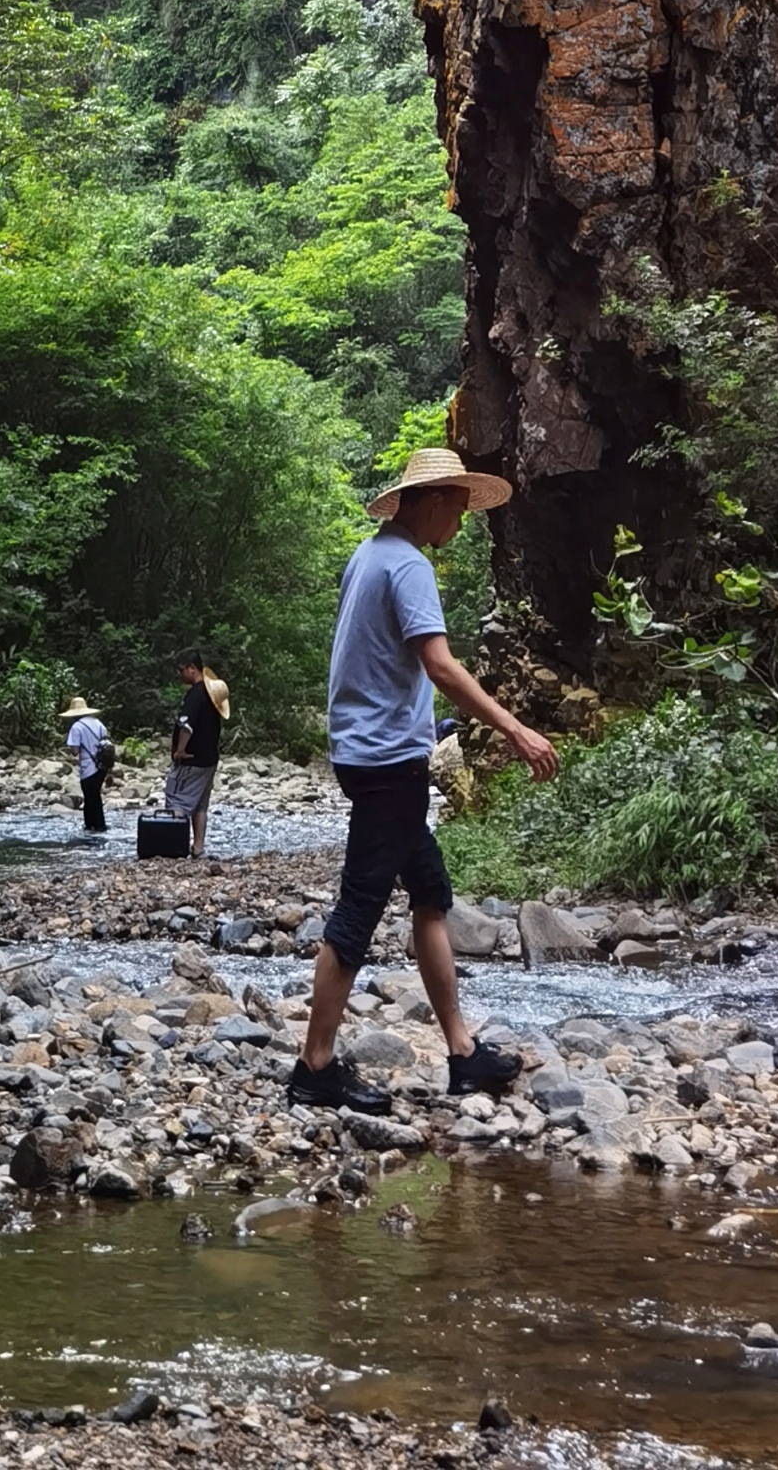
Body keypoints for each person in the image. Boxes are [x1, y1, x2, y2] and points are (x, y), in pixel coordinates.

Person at [287, 444, 559, 1110]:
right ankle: (315, 1067)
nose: (460, 526)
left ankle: (462, 1053)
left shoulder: (369, 554)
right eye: (459, 510)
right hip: (385, 764)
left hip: (373, 755)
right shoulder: (406, 565)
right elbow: (439, 666)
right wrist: (515, 729)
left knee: (431, 893)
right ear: (432, 502)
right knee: (358, 909)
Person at [161, 648, 228, 857]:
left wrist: (180, 750)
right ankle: (197, 847)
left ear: (192, 668)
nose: (180, 674)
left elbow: (186, 725)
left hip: (192, 760)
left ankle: (172, 846)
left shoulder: (195, 694)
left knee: (176, 800)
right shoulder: (211, 697)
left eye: (181, 670)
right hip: (209, 759)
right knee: (200, 804)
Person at [59, 694, 113, 835]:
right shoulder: (98, 723)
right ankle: (100, 826)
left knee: (89, 798)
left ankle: (91, 827)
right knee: (96, 796)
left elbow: (75, 751)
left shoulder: (77, 727)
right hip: (102, 767)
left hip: (88, 767)